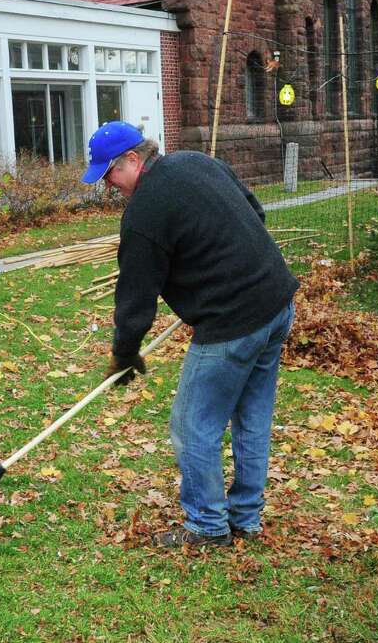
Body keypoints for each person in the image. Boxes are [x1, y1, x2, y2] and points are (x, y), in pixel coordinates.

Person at [81, 121, 299, 547]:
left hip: (234, 322)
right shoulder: (197, 161)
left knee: (191, 425)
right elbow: (254, 214)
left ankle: (206, 527)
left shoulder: (144, 212)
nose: (108, 184)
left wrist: (124, 354)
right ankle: (245, 519)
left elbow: (135, 298)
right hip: (276, 302)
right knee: (251, 418)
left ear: (132, 159)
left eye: (110, 173)